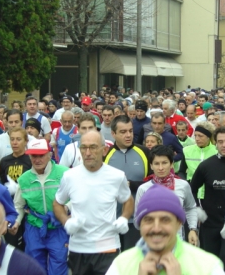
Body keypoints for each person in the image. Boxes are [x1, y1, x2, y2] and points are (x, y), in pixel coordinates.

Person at [53, 131, 134, 275]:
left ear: (104, 150)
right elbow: (57, 203)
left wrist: (124, 218)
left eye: (93, 147)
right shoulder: (70, 176)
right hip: (79, 247)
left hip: (107, 246)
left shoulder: (116, 176)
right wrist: (66, 222)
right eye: (84, 147)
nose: (88, 152)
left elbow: (128, 200)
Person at [106, 184, 225, 275]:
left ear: (179, 223)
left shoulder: (207, 266)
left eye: (165, 220)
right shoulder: (121, 265)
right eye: (148, 220)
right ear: (140, 224)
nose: (156, 228)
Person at [13, 139, 69, 275]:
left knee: (59, 267)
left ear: (49, 155)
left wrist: (66, 208)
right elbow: (18, 205)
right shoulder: (24, 179)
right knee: (34, 267)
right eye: (34, 156)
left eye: (41, 155)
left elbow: (78, 198)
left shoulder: (64, 173)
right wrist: (16, 222)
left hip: (58, 226)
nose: (37, 160)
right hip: (35, 227)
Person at [190, 126, 225, 275]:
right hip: (210, 223)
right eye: (220, 142)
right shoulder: (206, 166)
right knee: (211, 264)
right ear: (215, 143)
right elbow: (191, 189)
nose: (224, 145)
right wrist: (197, 209)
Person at [104, 115, 151, 251]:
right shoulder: (106, 155)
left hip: (138, 220)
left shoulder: (143, 151)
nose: (128, 135)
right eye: (123, 132)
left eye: (130, 131)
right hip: (112, 220)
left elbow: (153, 180)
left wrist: (132, 184)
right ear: (113, 134)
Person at [135, 145, 198, 245]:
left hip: (177, 243)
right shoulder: (143, 189)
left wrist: (193, 229)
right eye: (156, 163)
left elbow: (190, 207)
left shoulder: (183, 185)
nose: (160, 168)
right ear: (151, 165)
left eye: (164, 163)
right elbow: (137, 218)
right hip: (151, 244)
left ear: (172, 164)